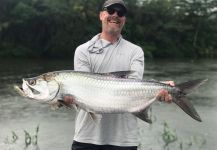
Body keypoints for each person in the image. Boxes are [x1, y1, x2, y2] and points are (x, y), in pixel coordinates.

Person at [67, 0, 174, 150]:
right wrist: (65, 99)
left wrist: (160, 88)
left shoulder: (135, 51)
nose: (115, 15)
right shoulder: (83, 50)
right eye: (111, 10)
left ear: (124, 19)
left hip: (124, 141)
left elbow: (133, 88)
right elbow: (86, 91)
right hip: (86, 138)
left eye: (121, 12)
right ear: (101, 15)